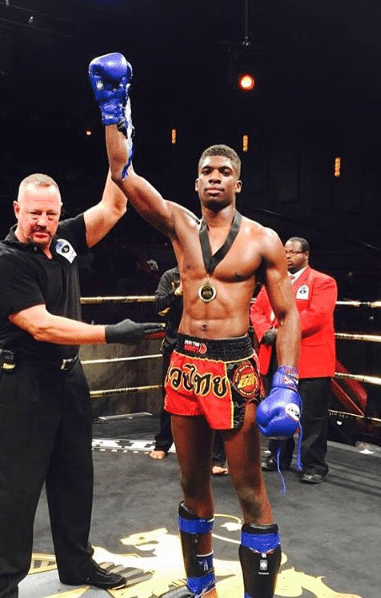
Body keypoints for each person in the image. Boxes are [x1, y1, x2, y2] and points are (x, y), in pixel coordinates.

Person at [89, 53, 301, 598]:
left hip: (237, 367)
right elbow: (124, 174)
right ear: (196, 179)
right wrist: (113, 110)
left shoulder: (263, 242)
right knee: (191, 484)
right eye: (206, 170)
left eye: (224, 171)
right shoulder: (179, 224)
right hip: (185, 365)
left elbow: (287, 313)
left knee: (250, 489)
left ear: (238, 182)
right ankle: (200, 585)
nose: (214, 177)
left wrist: (287, 380)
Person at [0, 172, 161, 598]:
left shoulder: (64, 239)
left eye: (51, 213)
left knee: (75, 479)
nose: (43, 222)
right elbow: (41, 326)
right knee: (16, 493)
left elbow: (114, 206)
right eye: (34, 213)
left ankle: (76, 565)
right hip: (25, 381)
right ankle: (0, 587)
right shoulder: (5, 263)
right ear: (16, 210)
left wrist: (119, 139)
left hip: (69, 379)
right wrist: (111, 333)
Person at [251, 237, 337, 483]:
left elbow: (318, 315)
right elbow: (256, 310)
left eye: (292, 252)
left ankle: (314, 465)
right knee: (278, 410)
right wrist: (263, 331)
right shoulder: (272, 283)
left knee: (312, 415)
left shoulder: (322, 281)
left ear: (306, 255)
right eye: (284, 252)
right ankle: (278, 457)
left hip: (310, 360)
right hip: (276, 357)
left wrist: (278, 332)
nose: (287, 256)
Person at [150, 266, 228, 476]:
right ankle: (163, 443)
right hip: (176, 346)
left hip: (209, 346)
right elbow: (158, 306)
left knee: (213, 398)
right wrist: (179, 292)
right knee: (170, 396)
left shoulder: (214, 276)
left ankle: (217, 457)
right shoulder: (172, 276)